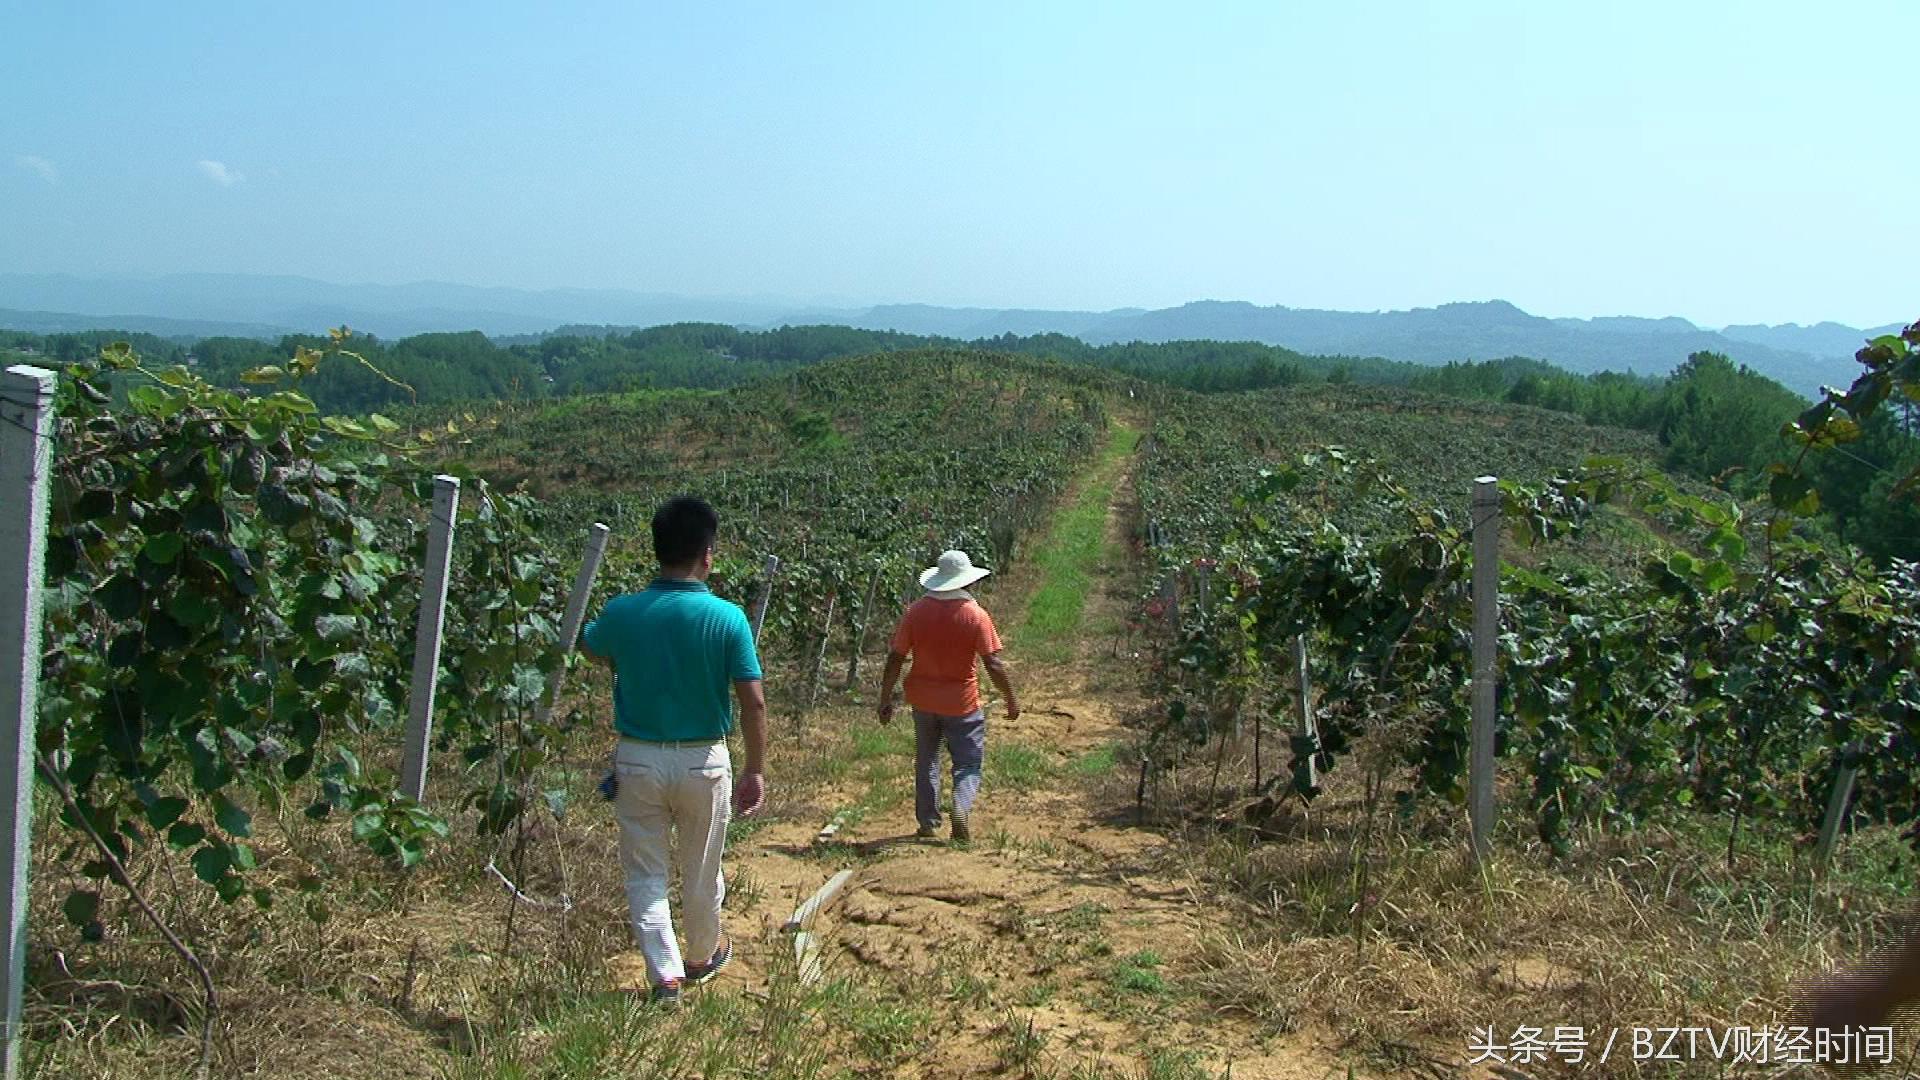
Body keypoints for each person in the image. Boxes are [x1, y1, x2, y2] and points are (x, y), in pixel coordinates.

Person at [581, 496, 767, 1006]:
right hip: (703, 760)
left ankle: (664, 975)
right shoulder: (727, 618)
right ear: (707, 554)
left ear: (656, 549)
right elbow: (753, 701)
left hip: (638, 758)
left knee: (646, 872)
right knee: (702, 868)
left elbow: (589, 646)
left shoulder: (622, 612)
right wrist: (754, 769)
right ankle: (702, 956)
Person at [875, 549, 1020, 842]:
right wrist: (1010, 698)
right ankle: (961, 807)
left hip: (923, 700)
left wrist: (885, 698)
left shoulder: (915, 612)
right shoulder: (975, 615)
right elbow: (993, 663)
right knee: (967, 763)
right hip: (962, 703)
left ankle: (928, 822)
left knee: (927, 760)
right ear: (968, 581)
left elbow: (895, 657)